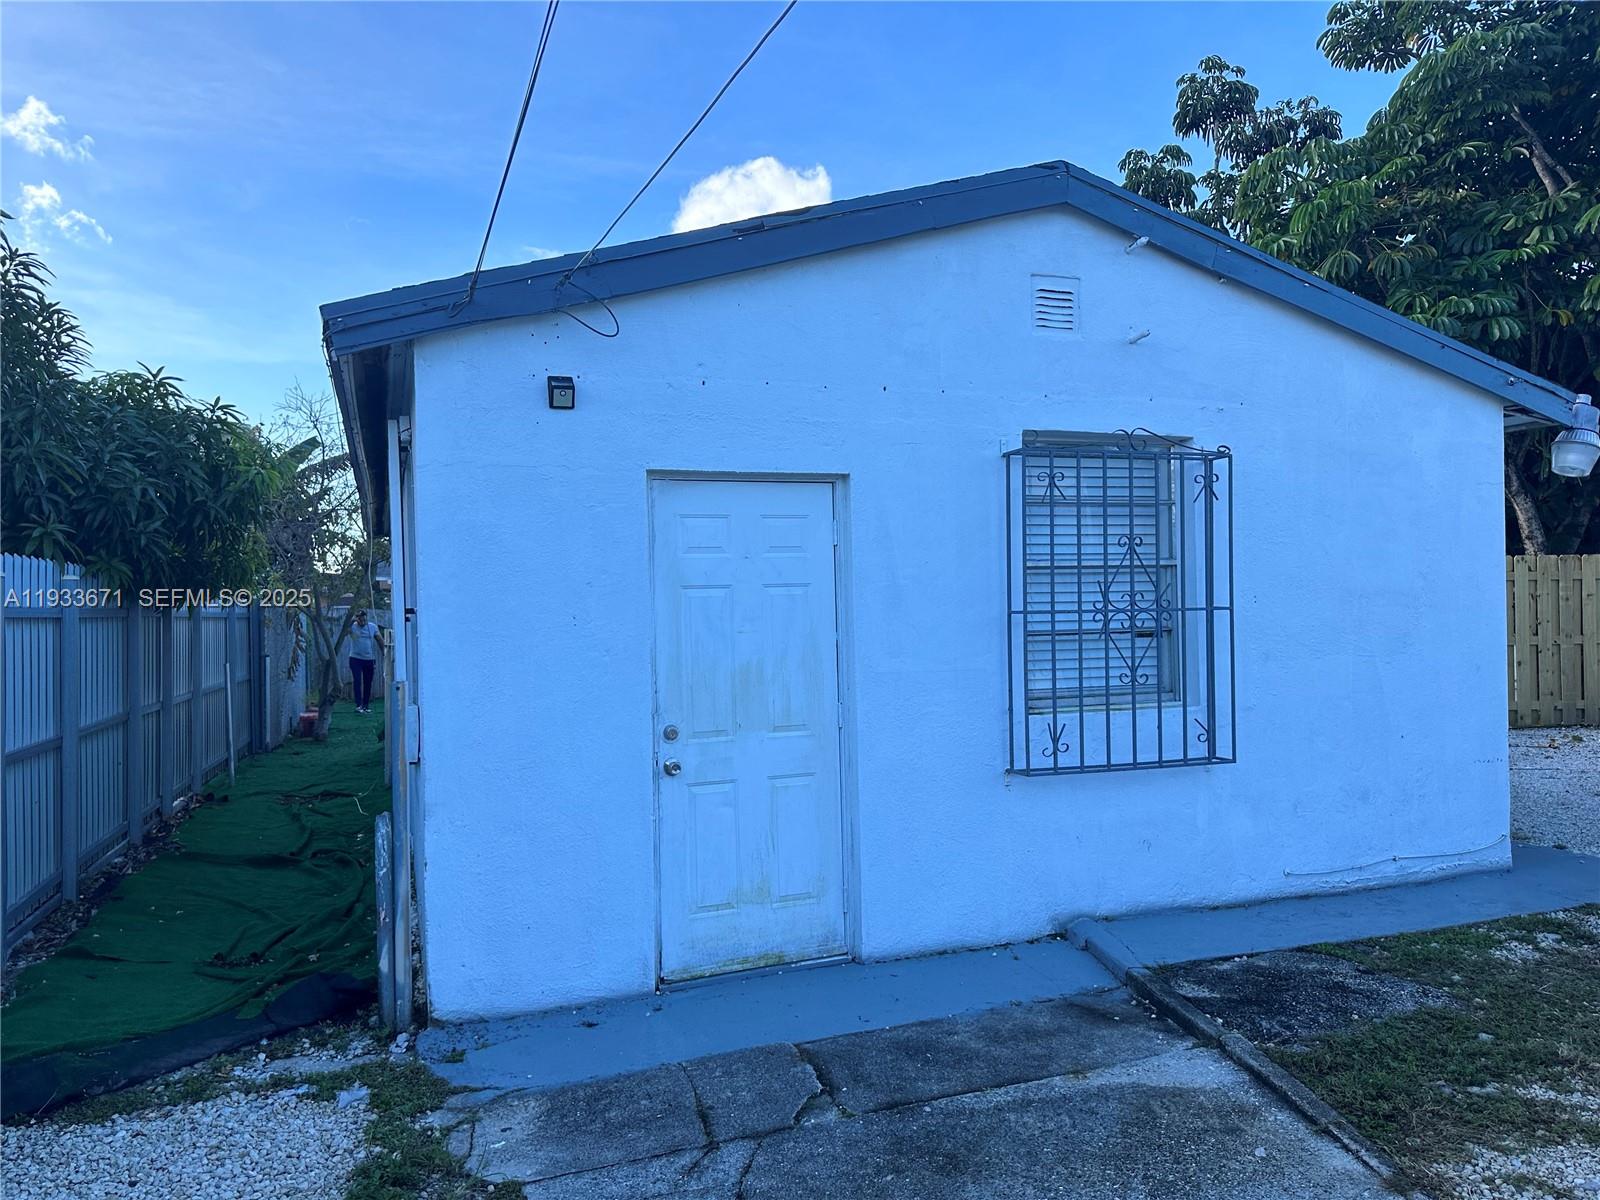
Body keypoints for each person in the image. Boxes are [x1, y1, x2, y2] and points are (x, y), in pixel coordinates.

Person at [347, 609, 384, 714]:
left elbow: (380, 640)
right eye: (359, 619)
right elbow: (345, 631)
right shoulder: (353, 627)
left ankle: (366, 705)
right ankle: (359, 705)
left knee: (368, 683)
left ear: (366, 617)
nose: (361, 621)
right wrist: (351, 621)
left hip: (369, 659)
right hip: (355, 659)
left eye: (363, 618)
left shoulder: (372, 627)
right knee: (357, 681)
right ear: (357, 619)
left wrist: (384, 653)